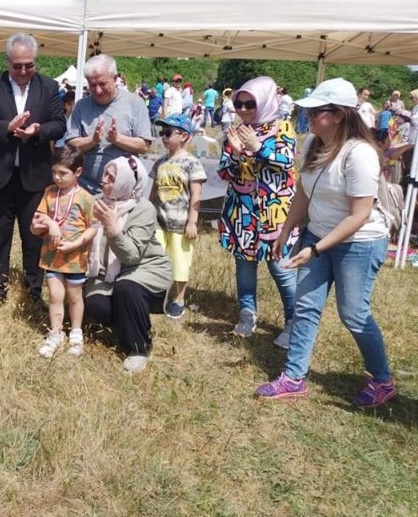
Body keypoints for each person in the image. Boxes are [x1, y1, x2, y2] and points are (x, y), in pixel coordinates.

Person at [256, 78, 397, 408]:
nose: (308, 116)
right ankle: (293, 377)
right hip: (317, 235)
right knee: (305, 306)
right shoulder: (312, 143)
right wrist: (286, 229)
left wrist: (316, 248)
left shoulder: (360, 154)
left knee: (354, 314)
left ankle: (382, 380)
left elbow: (359, 215)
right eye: (309, 110)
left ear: (338, 115)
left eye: (316, 111)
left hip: (359, 242)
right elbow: (303, 192)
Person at [0, 33, 66, 307]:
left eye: (29, 65)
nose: (23, 71)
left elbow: (59, 124)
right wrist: (6, 128)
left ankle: (33, 290)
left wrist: (39, 131)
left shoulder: (49, 87)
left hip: (34, 175)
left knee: (33, 235)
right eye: (17, 66)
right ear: (7, 61)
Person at [218, 76, 298, 347]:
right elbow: (225, 172)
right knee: (244, 265)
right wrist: (239, 153)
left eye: (249, 103)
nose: (242, 109)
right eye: (238, 103)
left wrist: (257, 147)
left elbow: (286, 163)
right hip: (242, 212)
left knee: (281, 268)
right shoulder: (236, 131)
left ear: (263, 101)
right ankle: (247, 313)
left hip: (274, 212)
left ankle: (294, 322)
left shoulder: (283, 128)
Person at [84, 156, 173, 373]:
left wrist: (113, 229)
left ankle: (138, 348)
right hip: (106, 274)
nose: (103, 179)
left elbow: (131, 256)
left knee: (127, 289)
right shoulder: (97, 201)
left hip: (143, 269)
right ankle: (129, 321)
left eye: (111, 177)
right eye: (104, 173)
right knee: (94, 306)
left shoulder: (144, 209)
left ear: (125, 182)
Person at [30, 146, 96, 358]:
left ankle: (76, 333)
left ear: (77, 172)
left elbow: (93, 226)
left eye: (63, 173)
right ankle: (56, 333)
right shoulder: (49, 193)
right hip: (51, 256)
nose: (57, 177)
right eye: (54, 172)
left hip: (75, 257)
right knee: (56, 295)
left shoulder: (85, 197)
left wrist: (77, 244)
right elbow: (37, 220)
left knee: (74, 296)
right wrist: (50, 223)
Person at [65, 54, 151, 194]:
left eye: (102, 84)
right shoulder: (81, 106)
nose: (98, 91)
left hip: (123, 193)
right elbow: (71, 145)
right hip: (85, 189)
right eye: (92, 85)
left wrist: (117, 139)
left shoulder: (135, 103)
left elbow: (144, 146)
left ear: (115, 78)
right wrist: (92, 140)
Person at [149, 114, 206, 319]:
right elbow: (153, 191)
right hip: (159, 220)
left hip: (180, 223)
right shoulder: (160, 162)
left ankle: (179, 297)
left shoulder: (192, 163)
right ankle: (156, 295)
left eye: (168, 132)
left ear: (184, 136)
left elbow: (196, 195)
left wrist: (192, 221)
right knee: (155, 258)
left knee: (180, 262)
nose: (163, 137)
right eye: (161, 132)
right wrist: (148, 213)